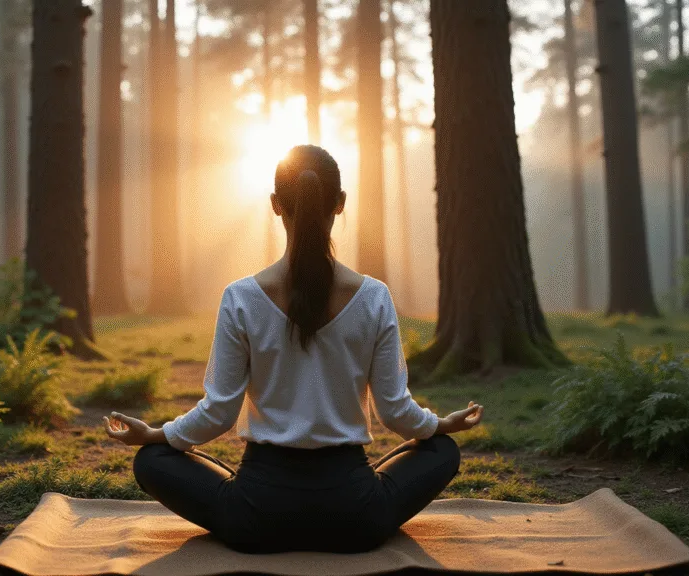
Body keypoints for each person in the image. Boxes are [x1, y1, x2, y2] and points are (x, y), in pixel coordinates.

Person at [103, 144, 484, 554]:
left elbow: (218, 413)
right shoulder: (374, 297)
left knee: (151, 461)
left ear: (274, 205)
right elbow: (395, 411)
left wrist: (157, 434)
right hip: (356, 517)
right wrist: (442, 425)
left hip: (255, 516)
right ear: (339, 204)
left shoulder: (241, 297)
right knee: (441, 451)